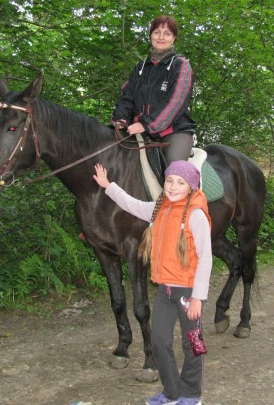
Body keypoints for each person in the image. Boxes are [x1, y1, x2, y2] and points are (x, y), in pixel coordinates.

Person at [93, 161, 211, 405]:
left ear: (190, 187)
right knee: (158, 342)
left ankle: (191, 395)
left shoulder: (196, 215)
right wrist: (108, 186)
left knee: (193, 344)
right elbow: (132, 204)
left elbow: (206, 258)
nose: (173, 187)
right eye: (169, 181)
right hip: (165, 290)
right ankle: (172, 393)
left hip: (188, 291)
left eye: (181, 183)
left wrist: (198, 296)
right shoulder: (160, 208)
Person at [111, 15, 196, 165]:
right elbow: (127, 98)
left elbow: (175, 103)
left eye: (167, 33)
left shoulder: (180, 65)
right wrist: (121, 119)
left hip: (173, 131)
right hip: (139, 131)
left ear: (174, 38)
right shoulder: (140, 68)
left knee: (173, 173)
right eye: (157, 32)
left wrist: (146, 125)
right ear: (151, 35)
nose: (161, 37)